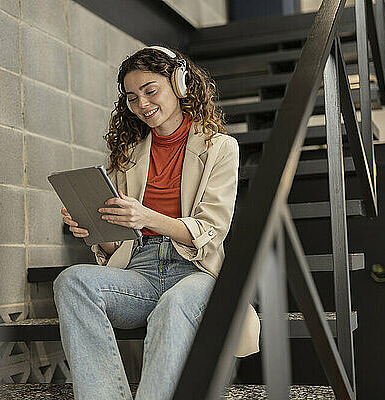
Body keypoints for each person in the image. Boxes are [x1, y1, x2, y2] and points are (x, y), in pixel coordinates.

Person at [53, 46, 259, 400]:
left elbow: (210, 231)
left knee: (175, 303)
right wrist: (94, 233)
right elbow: (119, 244)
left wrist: (148, 216)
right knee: (72, 281)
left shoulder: (221, 148)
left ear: (179, 84)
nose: (142, 104)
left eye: (151, 90)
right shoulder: (128, 155)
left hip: (197, 273)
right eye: (132, 98)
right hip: (140, 271)